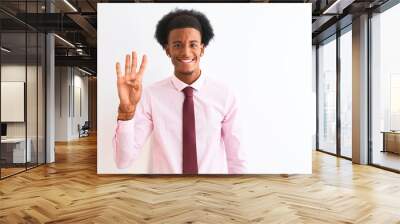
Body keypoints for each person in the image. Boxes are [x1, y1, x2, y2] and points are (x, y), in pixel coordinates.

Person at [113, 9, 246, 174]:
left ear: (202, 49)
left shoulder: (225, 94)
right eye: (177, 45)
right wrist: (126, 113)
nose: (186, 52)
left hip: (212, 194)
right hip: (166, 195)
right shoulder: (151, 95)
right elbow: (123, 161)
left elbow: (237, 158)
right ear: (167, 49)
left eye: (193, 44)